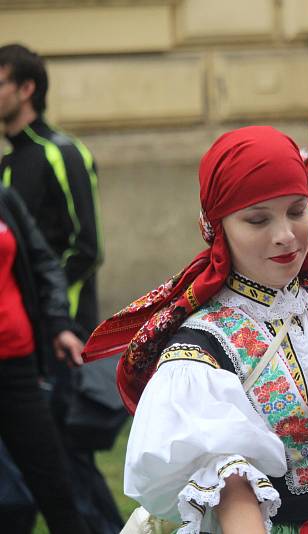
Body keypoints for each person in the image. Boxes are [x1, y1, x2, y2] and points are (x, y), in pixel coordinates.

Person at [83, 126, 308, 533]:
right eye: (257, 219)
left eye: (297, 211)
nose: (285, 236)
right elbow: (231, 485)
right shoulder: (203, 346)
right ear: (217, 227)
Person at [0, 43, 123, 533]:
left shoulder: (62, 153)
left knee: (66, 465)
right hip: (20, 347)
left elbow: (85, 247)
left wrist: (52, 318)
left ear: (26, 89)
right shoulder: (8, 168)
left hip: (61, 337)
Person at [0, 184, 90, 534]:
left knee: (55, 486)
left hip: (18, 366)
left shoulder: (5, 198)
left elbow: (42, 262)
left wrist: (58, 325)